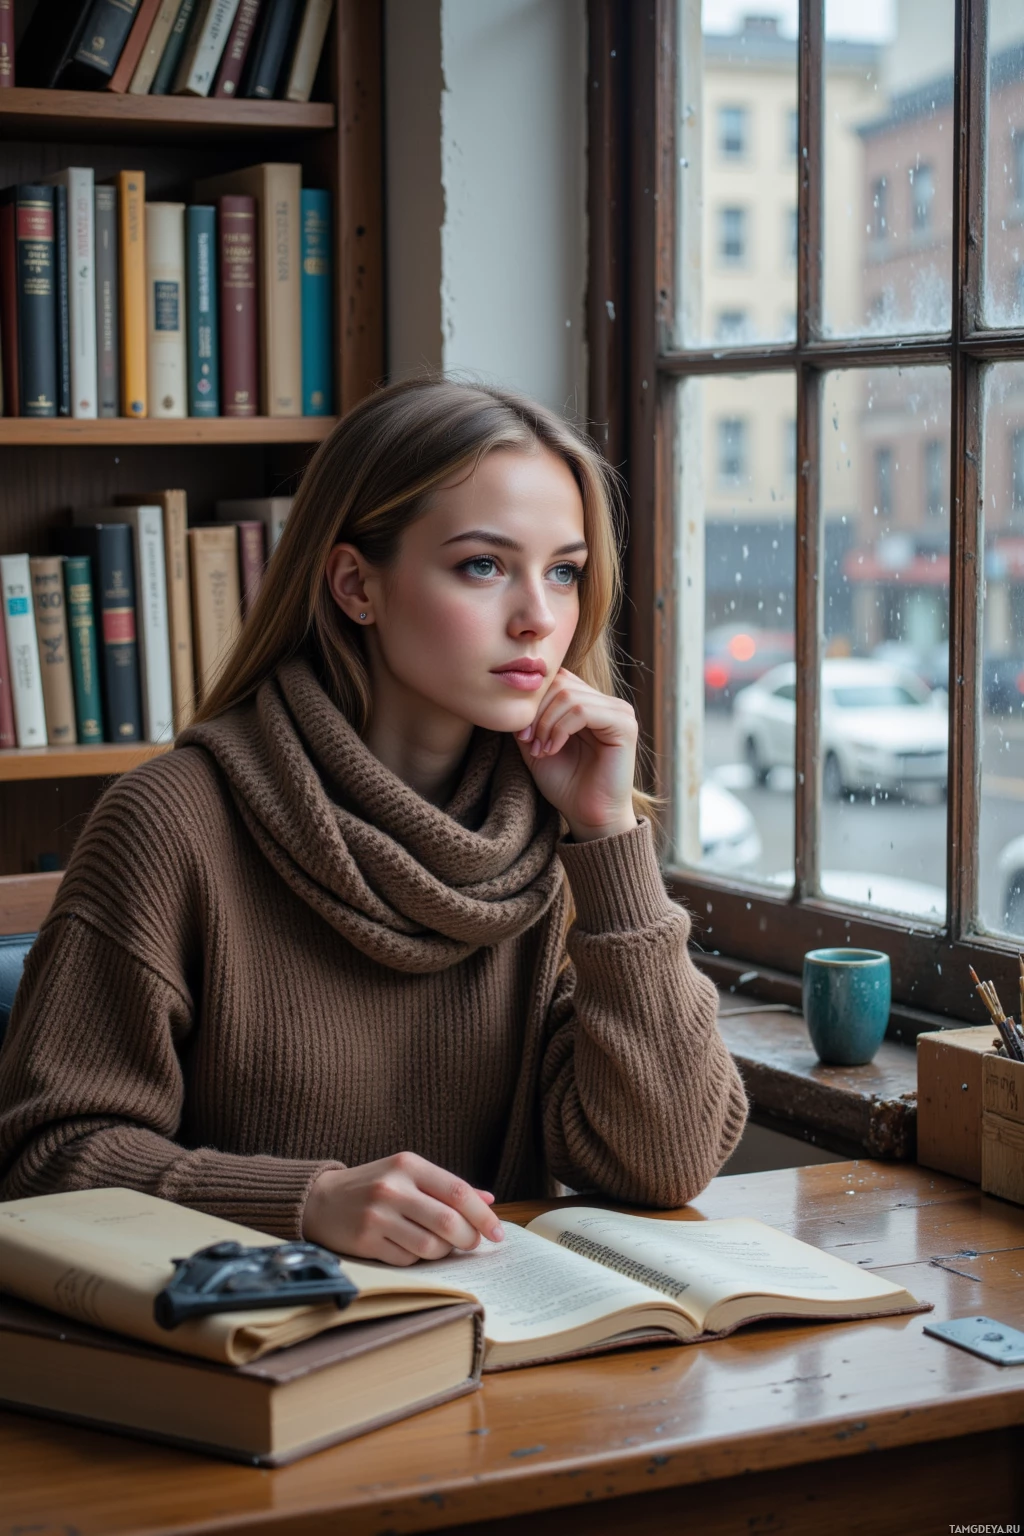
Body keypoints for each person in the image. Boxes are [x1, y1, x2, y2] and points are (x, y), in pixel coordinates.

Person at [0, 379, 747, 1265]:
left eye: (564, 571)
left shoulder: (561, 833)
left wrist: (610, 838)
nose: (539, 619)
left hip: (501, 1332)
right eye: (483, 565)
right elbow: (43, 1163)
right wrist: (304, 1204)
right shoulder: (171, 824)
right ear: (357, 584)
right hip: (256, 1333)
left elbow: (666, 1162)